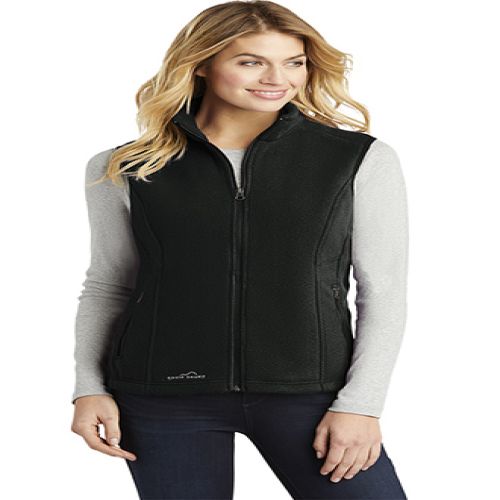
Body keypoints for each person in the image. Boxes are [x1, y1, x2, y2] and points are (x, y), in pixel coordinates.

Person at [70, 1, 409, 498]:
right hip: (163, 395)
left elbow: (384, 292)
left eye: (294, 62)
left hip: (311, 393)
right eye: (251, 62)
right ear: (201, 64)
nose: (277, 78)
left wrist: (362, 404)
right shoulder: (127, 167)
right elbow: (109, 284)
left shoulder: (355, 160)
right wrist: (89, 387)